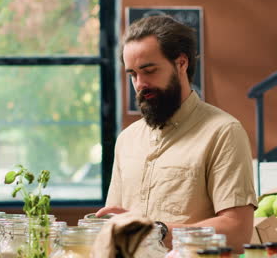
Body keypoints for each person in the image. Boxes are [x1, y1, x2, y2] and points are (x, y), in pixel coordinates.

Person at [96, 15, 257, 253]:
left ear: (181, 63)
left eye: (149, 70)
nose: (140, 84)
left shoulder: (223, 133)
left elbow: (237, 231)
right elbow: (115, 223)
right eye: (132, 74)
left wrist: (157, 232)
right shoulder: (127, 140)